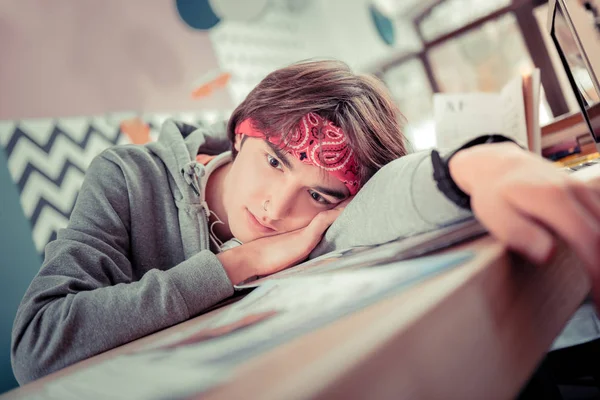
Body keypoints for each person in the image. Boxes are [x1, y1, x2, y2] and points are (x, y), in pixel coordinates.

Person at [11, 60, 600, 385]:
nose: (277, 209)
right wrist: (234, 264)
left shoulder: (320, 224)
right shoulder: (129, 177)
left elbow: (377, 200)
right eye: (274, 160)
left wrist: (472, 163)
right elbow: (39, 343)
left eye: (317, 195)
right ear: (242, 131)